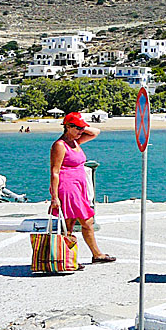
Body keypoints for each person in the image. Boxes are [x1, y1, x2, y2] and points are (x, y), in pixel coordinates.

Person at [50, 112, 115, 264]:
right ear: (67, 127)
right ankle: (83, 256)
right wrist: (55, 197)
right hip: (67, 187)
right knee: (83, 222)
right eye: (77, 128)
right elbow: (55, 171)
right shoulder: (60, 145)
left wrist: (81, 127)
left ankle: (72, 258)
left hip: (78, 187)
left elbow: (95, 132)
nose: (81, 130)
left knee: (71, 224)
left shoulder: (76, 141)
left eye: (82, 128)